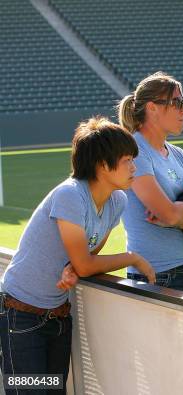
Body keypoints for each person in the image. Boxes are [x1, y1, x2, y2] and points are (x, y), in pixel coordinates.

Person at [0, 117, 155, 394]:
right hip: (19, 314)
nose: (134, 167)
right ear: (101, 164)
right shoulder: (70, 195)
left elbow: (87, 256)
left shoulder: (117, 201)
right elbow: (86, 264)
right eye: (127, 160)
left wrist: (74, 266)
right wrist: (132, 257)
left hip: (58, 315)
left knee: (54, 390)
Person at [117, 71, 183, 294]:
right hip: (154, 275)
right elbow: (171, 214)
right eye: (177, 102)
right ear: (152, 107)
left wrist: (177, 218)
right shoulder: (134, 152)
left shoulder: (179, 155)